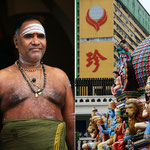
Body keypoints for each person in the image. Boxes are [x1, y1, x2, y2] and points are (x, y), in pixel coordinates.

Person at [0, 15, 74, 150]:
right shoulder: (2, 78)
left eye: (41, 36)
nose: (36, 41)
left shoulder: (60, 77)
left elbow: (71, 125)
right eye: (28, 36)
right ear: (16, 42)